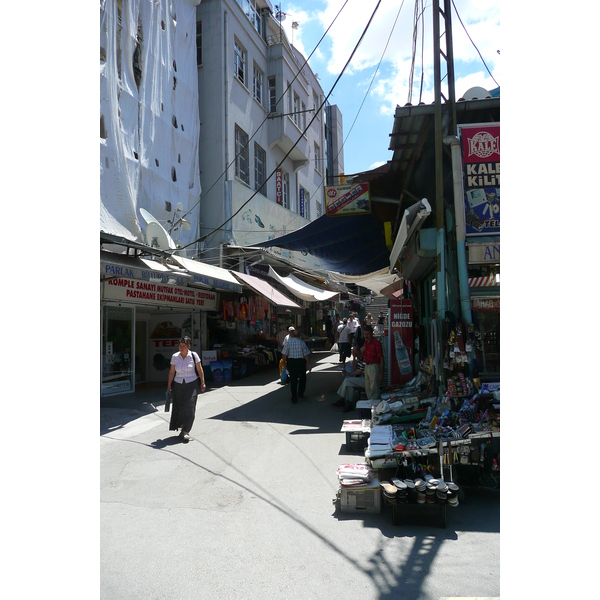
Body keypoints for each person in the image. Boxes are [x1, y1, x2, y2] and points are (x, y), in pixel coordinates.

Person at [166, 336, 206, 441]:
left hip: (192, 384)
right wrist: (169, 386)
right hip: (178, 384)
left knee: (190, 407)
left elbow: (200, 369)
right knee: (179, 407)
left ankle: (186, 430)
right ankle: (182, 428)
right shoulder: (175, 356)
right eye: (180, 346)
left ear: (188, 346)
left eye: (184, 346)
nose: (181, 348)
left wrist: (202, 382)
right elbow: (171, 372)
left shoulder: (193, 356)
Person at [281, 327, 312, 404]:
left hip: (292, 362)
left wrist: (284, 363)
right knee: (303, 378)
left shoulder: (288, 343)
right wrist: (309, 364)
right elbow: (306, 354)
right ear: (299, 335)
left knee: (293, 380)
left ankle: (294, 397)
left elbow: (284, 354)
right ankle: (300, 393)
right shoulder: (302, 343)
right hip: (300, 362)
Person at [332, 346, 366, 412]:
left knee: (347, 381)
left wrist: (348, 374)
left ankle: (342, 399)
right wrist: (354, 358)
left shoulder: (364, 359)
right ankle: (348, 403)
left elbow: (359, 371)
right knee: (349, 385)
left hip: (363, 379)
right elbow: (354, 367)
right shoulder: (359, 359)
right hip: (358, 377)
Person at [360, 325, 384, 400]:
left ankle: (374, 405)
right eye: (364, 334)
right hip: (367, 366)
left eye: (368, 334)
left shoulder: (376, 343)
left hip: (374, 366)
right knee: (368, 388)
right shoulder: (365, 342)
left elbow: (381, 358)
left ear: (371, 334)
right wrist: (361, 350)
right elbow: (361, 355)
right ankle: (370, 404)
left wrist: (381, 372)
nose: (366, 336)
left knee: (374, 389)